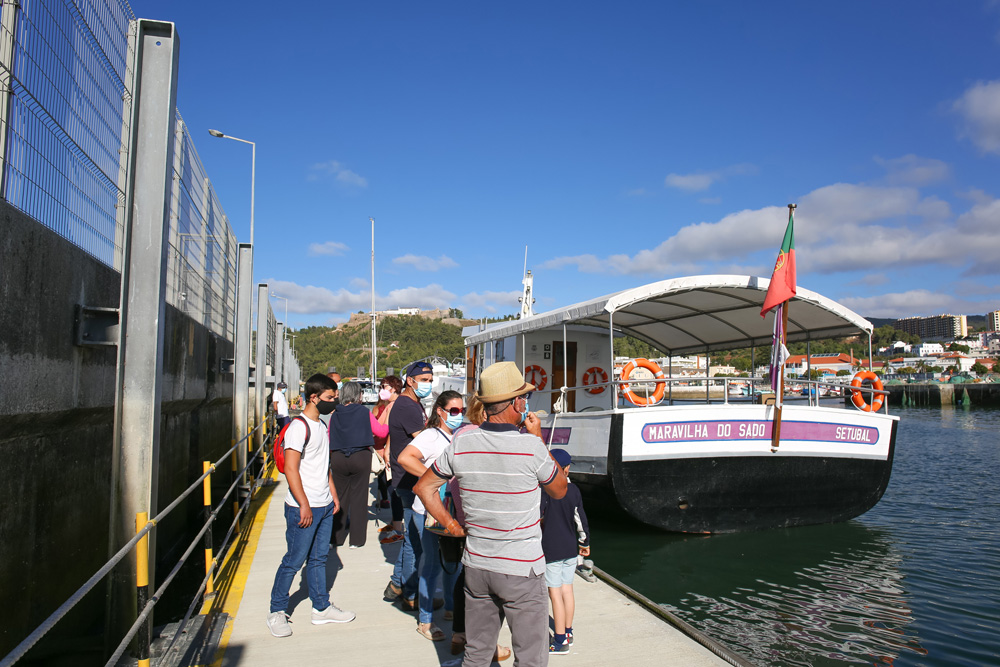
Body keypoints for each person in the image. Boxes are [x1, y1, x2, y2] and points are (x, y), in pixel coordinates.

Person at [416, 361, 568, 667]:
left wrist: (451, 525)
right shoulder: (530, 447)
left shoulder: (462, 441)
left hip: (478, 565)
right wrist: (538, 438)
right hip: (522, 569)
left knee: (477, 653)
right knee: (530, 657)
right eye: (524, 398)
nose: (527, 404)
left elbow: (424, 488)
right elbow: (559, 489)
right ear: (514, 403)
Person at [266, 373, 354, 638]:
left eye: (335, 396)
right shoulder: (298, 427)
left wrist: (334, 496)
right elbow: (291, 469)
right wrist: (304, 504)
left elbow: (323, 465)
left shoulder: (320, 425)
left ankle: (321, 607)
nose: (334, 401)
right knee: (294, 560)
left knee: (318, 559)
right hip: (303, 507)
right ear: (314, 397)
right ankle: (277, 611)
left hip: (324, 504)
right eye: (330, 397)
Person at [398, 390, 465, 641]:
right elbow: (405, 457)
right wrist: (431, 477)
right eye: (454, 411)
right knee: (431, 564)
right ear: (440, 411)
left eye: (462, 411)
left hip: (451, 510)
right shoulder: (430, 435)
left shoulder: (455, 435)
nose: (459, 415)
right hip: (427, 511)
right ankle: (425, 621)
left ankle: (450, 608)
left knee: (452, 563)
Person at [384, 361, 434, 608]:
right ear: (410, 381)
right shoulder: (407, 406)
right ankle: (411, 594)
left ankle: (397, 583)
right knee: (416, 541)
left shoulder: (411, 404)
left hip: (405, 478)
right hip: (409, 480)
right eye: (424, 379)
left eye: (430, 379)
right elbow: (424, 442)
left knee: (411, 538)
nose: (428, 383)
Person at [540, 449, 590, 655]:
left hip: (551, 548)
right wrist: (584, 542)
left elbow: (539, 518)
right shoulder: (575, 490)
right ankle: (568, 631)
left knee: (555, 594)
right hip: (570, 548)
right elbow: (581, 519)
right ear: (567, 469)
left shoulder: (544, 491)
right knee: (567, 590)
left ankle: (559, 641)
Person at [329, 381, 388, 548]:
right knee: (359, 498)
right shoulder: (363, 412)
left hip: (338, 457)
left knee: (340, 498)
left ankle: (336, 538)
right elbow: (380, 431)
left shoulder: (335, 414)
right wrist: (390, 423)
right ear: (357, 395)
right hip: (360, 456)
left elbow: (329, 435)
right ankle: (356, 540)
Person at [374, 375, 403, 516]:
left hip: (390, 453)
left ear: (394, 388)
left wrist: (386, 450)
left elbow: (384, 429)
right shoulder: (395, 404)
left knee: (394, 488)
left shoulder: (393, 406)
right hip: (395, 452)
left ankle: (397, 525)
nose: (381, 390)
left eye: (384, 387)